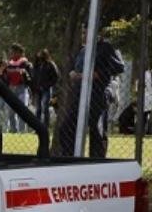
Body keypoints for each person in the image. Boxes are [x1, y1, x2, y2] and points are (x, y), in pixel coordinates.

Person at [55, 29, 125, 157]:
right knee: (66, 128)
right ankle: (69, 158)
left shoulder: (105, 47)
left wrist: (98, 74)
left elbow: (119, 67)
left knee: (96, 131)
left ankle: (97, 161)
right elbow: (77, 69)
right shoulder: (83, 50)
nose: (84, 35)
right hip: (80, 94)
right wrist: (73, 73)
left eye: (86, 32)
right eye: (82, 33)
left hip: (97, 93)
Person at [3, 45, 32, 132]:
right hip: (11, 88)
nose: (11, 54)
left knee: (22, 109)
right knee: (11, 110)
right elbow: (5, 77)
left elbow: (30, 77)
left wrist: (23, 73)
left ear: (19, 53)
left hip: (22, 88)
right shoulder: (9, 64)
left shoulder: (26, 63)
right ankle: (13, 129)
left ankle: (22, 130)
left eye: (13, 52)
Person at [30, 49, 59, 129]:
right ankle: (37, 127)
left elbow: (55, 77)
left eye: (41, 54)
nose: (39, 56)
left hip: (46, 89)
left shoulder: (50, 65)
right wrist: (35, 87)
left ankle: (45, 126)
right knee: (38, 108)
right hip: (38, 89)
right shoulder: (36, 65)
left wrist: (47, 85)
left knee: (45, 107)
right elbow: (34, 77)